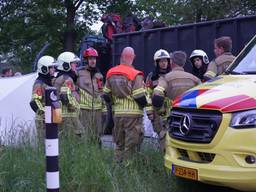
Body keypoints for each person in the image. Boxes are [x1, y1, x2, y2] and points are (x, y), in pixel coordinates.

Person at [103, 47, 148, 162]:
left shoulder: (110, 72)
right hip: (133, 115)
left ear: (121, 57)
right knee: (131, 146)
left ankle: (118, 166)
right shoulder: (135, 74)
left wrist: (115, 103)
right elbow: (139, 96)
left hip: (118, 115)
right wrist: (146, 105)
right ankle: (129, 170)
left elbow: (106, 94)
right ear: (133, 57)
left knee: (119, 144)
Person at [152, 51, 201, 147]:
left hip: (172, 118)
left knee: (170, 148)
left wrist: (159, 111)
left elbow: (157, 96)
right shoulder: (194, 79)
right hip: (190, 120)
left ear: (172, 62)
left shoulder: (165, 78)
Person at [53, 51, 84, 138]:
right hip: (68, 116)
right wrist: (76, 107)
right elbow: (65, 97)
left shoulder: (58, 77)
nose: (76, 66)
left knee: (62, 138)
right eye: (73, 63)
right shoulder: (67, 79)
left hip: (59, 114)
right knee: (76, 137)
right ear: (66, 65)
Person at [77, 47, 104, 143]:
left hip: (97, 110)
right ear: (86, 60)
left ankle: (97, 152)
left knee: (97, 135)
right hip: (84, 110)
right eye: (90, 58)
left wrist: (104, 109)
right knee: (85, 134)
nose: (93, 61)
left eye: (94, 58)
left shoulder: (99, 75)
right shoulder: (78, 73)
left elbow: (101, 92)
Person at [145, 49, 171, 150]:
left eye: (165, 61)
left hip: (171, 112)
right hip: (157, 113)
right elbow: (147, 94)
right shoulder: (151, 77)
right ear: (156, 63)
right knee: (161, 135)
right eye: (161, 61)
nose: (164, 63)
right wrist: (149, 112)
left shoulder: (172, 75)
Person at [30, 55, 57, 142]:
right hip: (43, 120)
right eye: (51, 68)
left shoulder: (49, 82)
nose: (54, 70)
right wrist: (46, 114)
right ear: (44, 69)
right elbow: (34, 102)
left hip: (52, 118)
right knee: (44, 144)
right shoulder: (39, 84)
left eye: (54, 67)